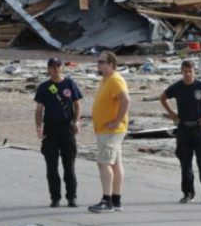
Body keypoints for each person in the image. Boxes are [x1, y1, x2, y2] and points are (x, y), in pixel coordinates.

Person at [160, 59, 201, 204]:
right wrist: (172, 115)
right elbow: (163, 97)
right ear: (181, 71)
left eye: (190, 71)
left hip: (199, 128)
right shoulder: (177, 87)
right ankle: (188, 193)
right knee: (185, 163)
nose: (188, 74)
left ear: (194, 72)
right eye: (185, 71)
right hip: (183, 129)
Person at [34, 56, 82, 208]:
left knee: (69, 166)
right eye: (53, 67)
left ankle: (72, 197)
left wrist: (76, 121)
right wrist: (39, 128)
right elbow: (39, 110)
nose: (55, 69)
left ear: (62, 67)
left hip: (66, 129)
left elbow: (77, 105)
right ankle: (55, 197)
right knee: (51, 167)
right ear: (48, 69)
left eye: (58, 66)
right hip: (51, 129)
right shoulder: (44, 87)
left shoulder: (69, 83)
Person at [88, 51, 131, 213]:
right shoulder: (105, 80)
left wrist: (117, 121)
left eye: (102, 62)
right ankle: (116, 199)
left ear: (111, 64)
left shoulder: (115, 80)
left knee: (103, 162)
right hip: (106, 129)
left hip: (111, 130)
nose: (98, 64)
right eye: (98, 62)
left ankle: (107, 201)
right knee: (115, 163)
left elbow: (126, 100)